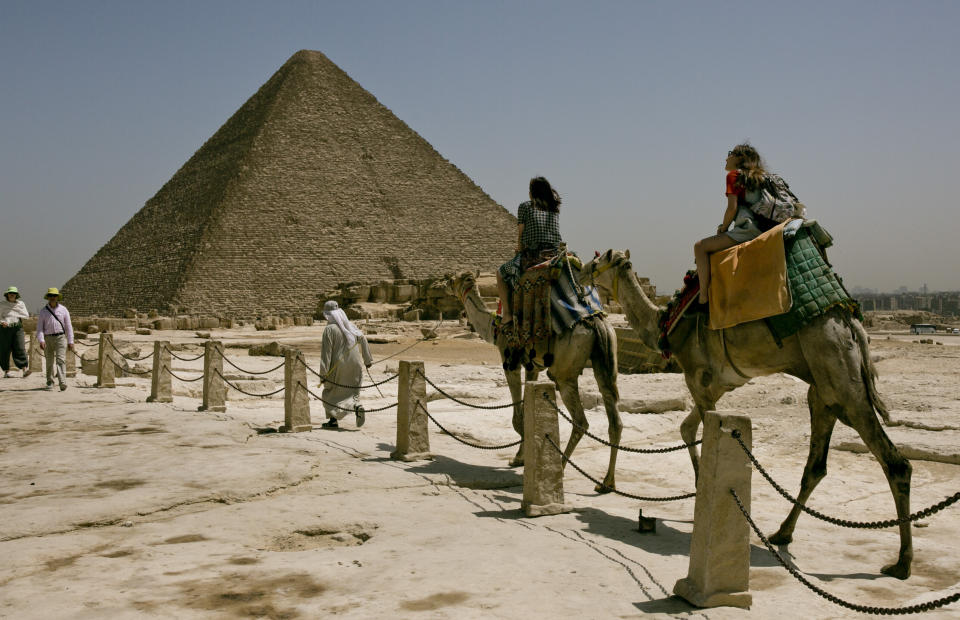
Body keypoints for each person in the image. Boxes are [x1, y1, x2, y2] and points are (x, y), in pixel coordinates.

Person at [693, 143, 778, 304]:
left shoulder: (734, 176)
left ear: (739, 158)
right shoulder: (762, 176)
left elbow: (731, 209)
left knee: (700, 247)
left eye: (730, 153)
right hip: (767, 227)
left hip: (750, 229)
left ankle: (703, 297)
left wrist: (723, 228)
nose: (726, 158)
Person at [497, 176, 565, 324]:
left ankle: (507, 314)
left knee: (500, 273)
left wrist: (519, 250)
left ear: (532, 193)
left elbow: (521, 234)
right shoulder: (554, 209)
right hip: (555, 255)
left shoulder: (525, 206)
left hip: (534, 255)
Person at [317, 300, 373, 429]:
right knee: (350, 390)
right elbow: (363, 338)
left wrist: (323, 373)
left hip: (338, 366)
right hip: (355, 365)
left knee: (330, 392)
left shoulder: (329, 329)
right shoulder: (350, 326)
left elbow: (326, 353)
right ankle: (356, 406)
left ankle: (333, 421)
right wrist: (368, 360)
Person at [36, 287, 74, 391]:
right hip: (48, 338)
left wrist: (71, 341)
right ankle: (50, 382)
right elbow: (39, 328)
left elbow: (68, 326)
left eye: (54, 296)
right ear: (48, 297)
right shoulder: (43, 311)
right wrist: (41, 340)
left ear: (57, 297)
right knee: (49, 361)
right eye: (51, 296)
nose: (52, 298)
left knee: (61, 360)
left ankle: (62, 382)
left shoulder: (63, 309)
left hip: (61, 337)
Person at [1, 286, 30, 378]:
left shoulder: (21, 304)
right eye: (10, 293)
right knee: (5, 350)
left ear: (16, 295)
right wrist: (2, 322)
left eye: (13, 293)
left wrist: (14, 313)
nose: (12, 295)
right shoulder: (2, 304)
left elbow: (25, 315)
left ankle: (24, 369)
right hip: (5, 328)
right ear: (7, 295)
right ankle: (6, 371)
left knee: (20, 348)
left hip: (17, 328)